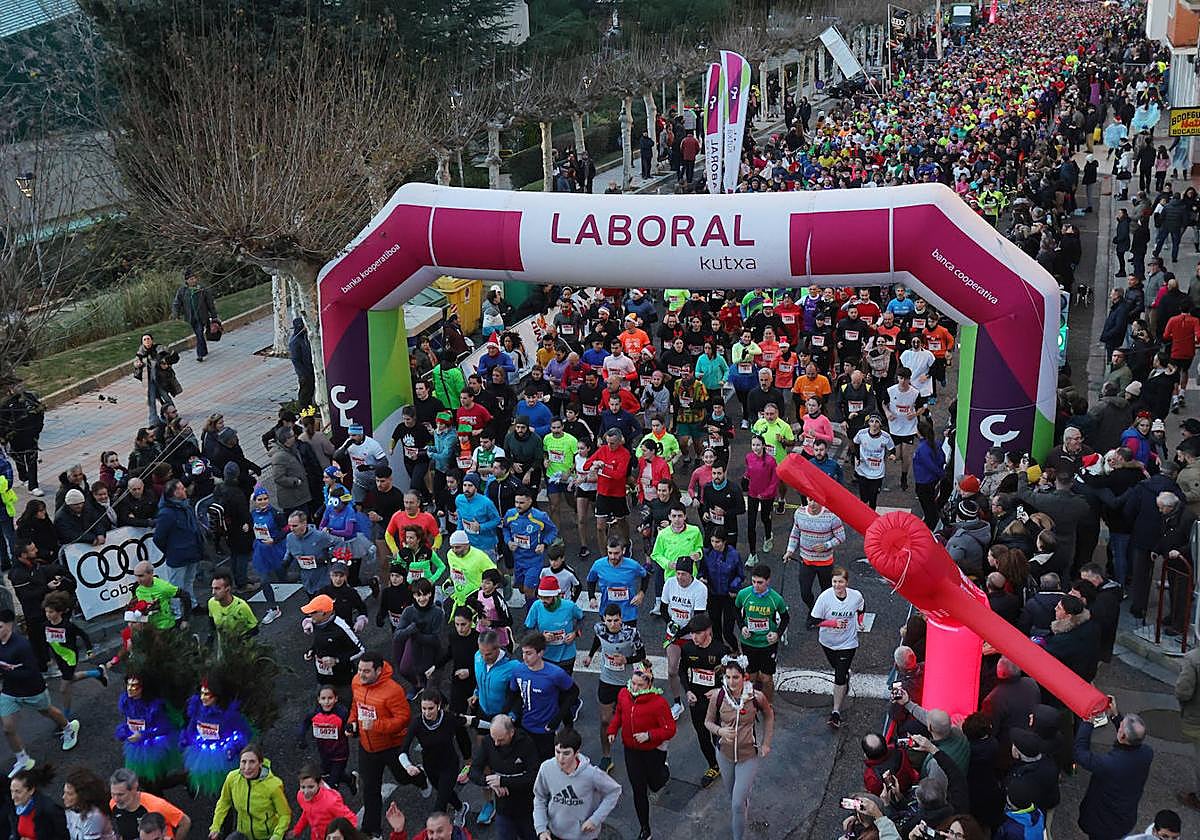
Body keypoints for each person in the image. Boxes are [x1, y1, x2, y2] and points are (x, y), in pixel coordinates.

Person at [348, 652, 428, 837]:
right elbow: (355, 706)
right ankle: (372, 831)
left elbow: (403, 719)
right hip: (367, 746)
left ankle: (421, 777)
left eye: (366, 671)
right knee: (370, 789)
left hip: (391, 746)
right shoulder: (356, 682)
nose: (361, 675)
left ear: (378, 671)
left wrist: (376, 725)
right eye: (360, 670)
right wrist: (352, 723)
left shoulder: (393, 690)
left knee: (403, 777)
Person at [0, 607, 79, 775]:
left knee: (47, 711)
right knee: (7, 728)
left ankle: (68, 728)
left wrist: (9, 671)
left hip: (32, 689)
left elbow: (32, 671)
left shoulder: (22, 645)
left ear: (9, 625)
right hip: (10, 691)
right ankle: (23, 759)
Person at [704, 657, 774, 840]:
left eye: (735, 677)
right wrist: (720, 731)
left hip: (748, 755)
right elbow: (708, 722)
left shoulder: (756, 697)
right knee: (735, 798)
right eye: (728, 677)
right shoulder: (718, 696)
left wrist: (766, 743)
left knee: (736, 804)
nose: (731, 682)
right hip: (724, 754)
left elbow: (769, 715)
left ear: (745, 677)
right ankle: (743, 803)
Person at [606, 667, 675, 840]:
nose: (634, 688)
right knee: (638, 789)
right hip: (631, 750)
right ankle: (645, 829)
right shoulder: (623, 694)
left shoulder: (658, 703)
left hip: (652, 751)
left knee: (656, 784)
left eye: (640, 685)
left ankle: (664, 770)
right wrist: (613, 730)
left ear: (649, 684)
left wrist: (649, 735)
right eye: (633, 683)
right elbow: (619, 714)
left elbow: (670, 729)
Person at [1075, 698, 1153, 840]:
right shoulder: (1147, 753)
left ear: (1122, 736)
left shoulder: (1109, 764)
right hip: (1124, 818)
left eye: (1121, 726)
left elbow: (1081, 754)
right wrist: (1115, 716)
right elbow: (1127, 738)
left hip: (1103, 824)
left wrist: (1086, 724)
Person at [533, 727, 622, 840]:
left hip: (583, 836)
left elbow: (614, 791)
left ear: (576, 752)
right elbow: (539, 798)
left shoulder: (591, 774)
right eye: (557, 752)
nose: (560, 758)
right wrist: (541, 828)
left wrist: (595, 819)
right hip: (554, 833)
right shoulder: (546, 768)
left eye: (566, 753)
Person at [399, 688, 470, 824]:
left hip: (449, 766)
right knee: (446, 793)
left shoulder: (449, 718)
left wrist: (497, 725)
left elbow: (471, 721)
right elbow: (403, 750)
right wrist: (408, 766)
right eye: (424, 708)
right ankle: (461, 808)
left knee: (440, 805)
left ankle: (436, 830)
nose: (427, 712)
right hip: (431, 768)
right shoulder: (417, 723)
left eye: (430, 708)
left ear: (438, 706)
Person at [811, 566, 865, 730]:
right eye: (834, 581)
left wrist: (860, 622)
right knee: (838, 668)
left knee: (839, 676)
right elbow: (813, 622)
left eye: (840, 582)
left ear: (847, 582)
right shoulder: (824, 598)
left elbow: (861, 608)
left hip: (848, 642)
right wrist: (833, 623)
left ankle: (835, 712)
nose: (837, 585)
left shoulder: (856, 596)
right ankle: (845, 674)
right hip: (828, 642)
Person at [470, 715, 540, 840]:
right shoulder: (488, 742)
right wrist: (490, 782)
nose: (496, 743)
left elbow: (534, 776)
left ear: (511, 733)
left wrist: (503, 781)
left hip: (526, 805)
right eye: (494, 738)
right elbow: (474, 771)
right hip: (503, 807)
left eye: (501, 740)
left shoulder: (526, 743)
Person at [208, 743, 291, 840]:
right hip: (243, 834)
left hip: (268, 836)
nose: (247, 767)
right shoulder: (232, 778)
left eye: (252, 762)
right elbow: (224, 802)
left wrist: (277, 835)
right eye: (243, 762)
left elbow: (285, 814)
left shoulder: (273, 785)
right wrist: (215, 826)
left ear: (260, 764)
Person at [734, 565, 789, 705]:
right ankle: (751, 704)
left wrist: (777, 634)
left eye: (760, 582)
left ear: (768, 581)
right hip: (749, 643)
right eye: (753, 581)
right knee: (751, 677)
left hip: (767, 644)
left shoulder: (776, 599)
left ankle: (768, 705)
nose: (756, 586)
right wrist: (742, 627)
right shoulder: (744, 594)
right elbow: (736, 610)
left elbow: (785, 618)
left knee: (766, 678)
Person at [784, 498, 846, 616]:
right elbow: (795, 533)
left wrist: (826, 545)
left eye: (815, 500)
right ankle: (814, 610)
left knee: (827, 592)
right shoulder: (799, 513)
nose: (812, 503)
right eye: (810, 500)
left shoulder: (832, 516)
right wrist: (790, 551)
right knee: (805, 593)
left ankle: (824, 612)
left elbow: (841, 537)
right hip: (806, 561)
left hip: (825, 563)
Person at [108, 768, 191, 840]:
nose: (116, 799)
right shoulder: (113, 804)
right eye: (113, 794)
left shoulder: (157, 806)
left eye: (120, 794)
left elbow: (185, 822)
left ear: (134, 788)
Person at [292, 763, 358, 840]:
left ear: (320, 783)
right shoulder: (300, 796)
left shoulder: (331, 802)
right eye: (303, 787)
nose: (306, 792)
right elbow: (306, 812)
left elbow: (351, 820)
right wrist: (297, 830)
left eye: (311, 787)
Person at [8, 764, 68, 838]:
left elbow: (63, 836)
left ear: (31, 790)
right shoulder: (15, 806)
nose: (13, 797)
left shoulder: (49, 810)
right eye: (12, 791)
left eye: (18, 792)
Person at [171, 268, 217, 362]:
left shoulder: (202, 289)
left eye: (194, 278)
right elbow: (176, 303)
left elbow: (210, 303)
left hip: (202, 316)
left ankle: (200, 354)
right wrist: (176, 314)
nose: (194, 280)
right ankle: (204, 350)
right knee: (199, 334)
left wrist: (214, 316)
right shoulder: (183, 291)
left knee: (199, 332)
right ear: (187, 281)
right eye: (191, 279)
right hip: (191, 318)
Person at [63, 766, 118, 840]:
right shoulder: (70, 810)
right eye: (64, 792)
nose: (63, 797)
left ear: (82, 795)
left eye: (69, 794)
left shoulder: (93, 816)